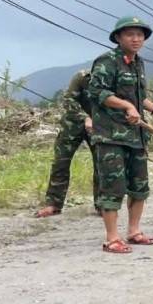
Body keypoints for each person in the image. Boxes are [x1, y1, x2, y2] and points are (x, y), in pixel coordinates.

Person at [88, 16, 153, 254]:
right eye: (130, 34)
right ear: (118, 37)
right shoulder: (107, 61)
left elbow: (138, 97)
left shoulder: (138, 63)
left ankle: (134, 231)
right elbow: (98, 92)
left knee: (139, 185)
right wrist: (126, 106)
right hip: (111, 136)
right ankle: (112, 238)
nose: (136, 39)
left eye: (140, 35)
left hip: (136, 136)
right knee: (113, 186)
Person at [34, 70, 101, 218]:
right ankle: (53, 204)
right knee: (60, 163)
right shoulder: (82, 77)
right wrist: (85, 118)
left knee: (102, 164)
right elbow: (69, 100)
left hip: (99, 125)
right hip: (72, 125)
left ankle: (103, 204)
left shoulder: (112, 77)